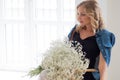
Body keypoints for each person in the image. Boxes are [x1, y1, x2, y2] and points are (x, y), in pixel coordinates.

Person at [68, 0, 115, 80]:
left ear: (93, 15)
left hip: (90, 77)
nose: (78, 17)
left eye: (83, 14)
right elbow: (66, 54)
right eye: (78, 13)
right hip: (72, 76)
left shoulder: (104, 36)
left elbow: (103, 67)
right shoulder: (74, 31)